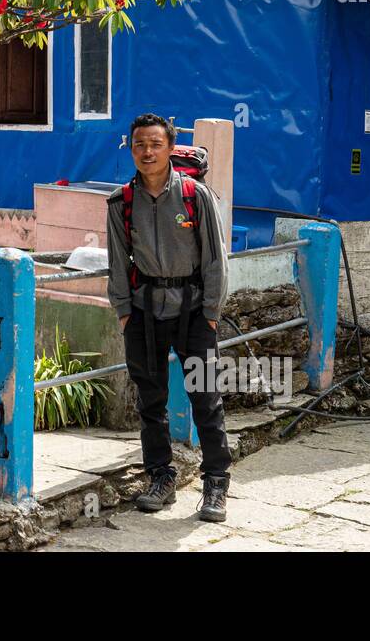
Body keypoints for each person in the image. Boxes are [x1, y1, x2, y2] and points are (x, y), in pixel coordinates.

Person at [106, 112, 232, 522]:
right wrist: (125, 312)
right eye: (140, 144)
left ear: (169, 148)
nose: (147, 151)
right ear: (132, 148)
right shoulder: (121, 202)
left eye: (155, 144)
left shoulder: (195, 196)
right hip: (144, 313)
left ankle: (216, 482)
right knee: (150, 402)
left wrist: (210, 314)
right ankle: (161, 476)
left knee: (205, 399)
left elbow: (216, 259)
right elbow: (116, 262)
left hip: (194, 312)